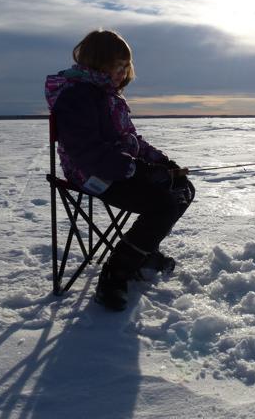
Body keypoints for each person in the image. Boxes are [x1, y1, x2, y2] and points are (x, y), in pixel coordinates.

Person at [44, 29, 195, 311]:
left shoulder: (111, 96)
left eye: (126, 66)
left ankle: (141, 251)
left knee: (181, 189)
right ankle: (115, 275)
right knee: (161, 203)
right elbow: (89, 154)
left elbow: (131, 140)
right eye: (117, 65)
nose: (122, 71)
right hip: (90, 174)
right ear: (98, 62)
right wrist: (140, 171)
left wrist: (163, 163)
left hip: (119, 168)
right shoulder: (77, 96)